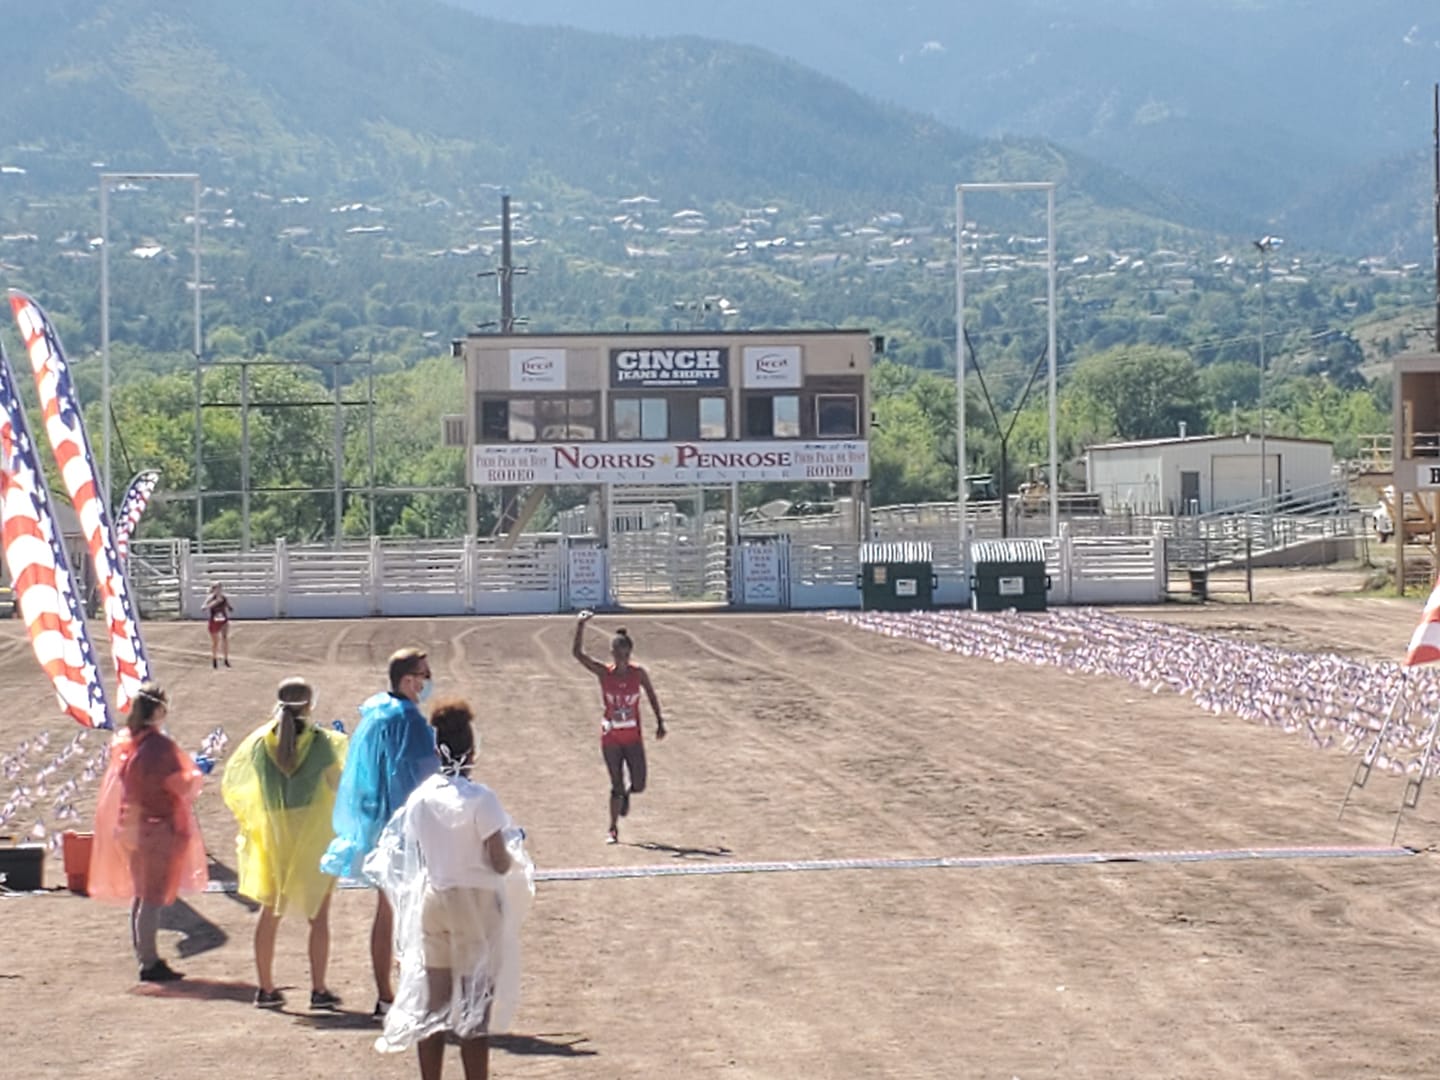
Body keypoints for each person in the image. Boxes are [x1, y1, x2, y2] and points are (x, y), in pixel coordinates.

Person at [365, 698, 532, 1080]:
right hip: (476, 906)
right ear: (471, 751)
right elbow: (498, 861)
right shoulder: (482, 800)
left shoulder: (421, 798)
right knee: (475, 1009)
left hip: (434, 901)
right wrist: (513, 850)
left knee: (433, 1007)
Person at [322, 646, 440, 1019]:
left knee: (388, 911)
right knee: (410, 915)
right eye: (423, 674)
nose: (428, 679)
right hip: (405, 829)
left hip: (378, 824)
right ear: (408, 679)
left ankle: (387, 994)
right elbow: (423, 776)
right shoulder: (409, 720)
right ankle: (405, 994)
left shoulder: (376, 712)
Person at [223, 677, 349, 1010]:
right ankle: (318, 989)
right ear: (309, 705)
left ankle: (265, 988)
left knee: (270, 911)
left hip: (275, 835)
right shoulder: (321, 743)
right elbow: (338, 784)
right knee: (318, 915)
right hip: (312, 835)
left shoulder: (261, 742)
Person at [88, 682, 209, 982]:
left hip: (130, 826)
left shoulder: (129, 743)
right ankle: (149, 962)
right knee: (152, 898)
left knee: (142, 897)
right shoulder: (159, 747)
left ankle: (145, 956)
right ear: (158, 710)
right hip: (155, 830)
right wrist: (197, 774)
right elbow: (178, 785)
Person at [571, 611, 666, 844]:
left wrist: (660, 721)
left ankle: (627, 796)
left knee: (640, 783)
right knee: (615, 783)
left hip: (633, 739)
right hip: (611, 739)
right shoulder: (605, 673)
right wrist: (580, 625)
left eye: (625, 655)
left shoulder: (638, 674)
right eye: (617, 655)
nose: (621, 659)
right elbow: (578, 654)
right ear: (612, 654)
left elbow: (651, 696)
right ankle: (612, 828)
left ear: (629, 653)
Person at [204, 583, 234, 669]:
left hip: (223, 620)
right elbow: (204, 607)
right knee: (215, 642)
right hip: (214, 621)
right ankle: (214, 659)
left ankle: (226, 659)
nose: (219, 590)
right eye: (217, 588)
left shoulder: (224, 598)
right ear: (213, 589)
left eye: (220, 588)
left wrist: (229, 607)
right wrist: (215, 603)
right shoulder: (210, 598)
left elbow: (229, 607)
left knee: (225, 638)